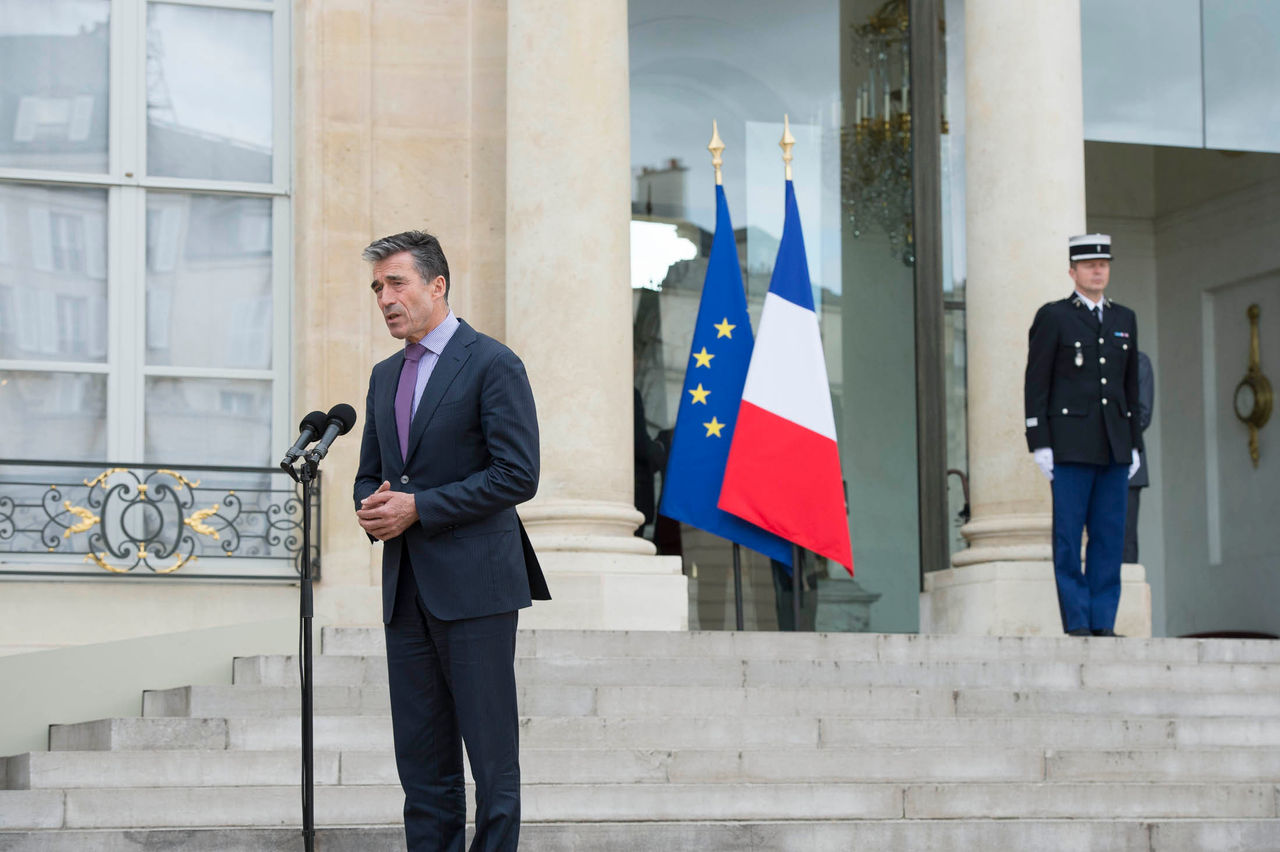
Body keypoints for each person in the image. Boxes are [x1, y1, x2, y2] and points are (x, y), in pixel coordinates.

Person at [353, 230, 549, 851]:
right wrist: (374, 506)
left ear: (437, 285)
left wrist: (420, 508)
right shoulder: (385, 376)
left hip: (478, 589)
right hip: (406, 590)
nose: (385, 298)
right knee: (422, 764)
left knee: (492, 762)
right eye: (378, 288)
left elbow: (518, 474)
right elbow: (370, 470)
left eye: (397, 283)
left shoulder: (493, 363)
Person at [1024, 234, 1143, 637]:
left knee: (1110, 539)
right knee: (1069, 538)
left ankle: (1103, 623)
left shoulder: (1124, 318)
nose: (1098, 270)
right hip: (1070, 445)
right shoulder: (1054, 316)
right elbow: (1036, 382)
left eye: (1103, 264)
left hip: (1113, 445)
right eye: (1090, 265)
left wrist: (1134, 445)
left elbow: (1130, 389)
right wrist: (1039, 441)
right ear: (1073, 271)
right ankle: (1077, 621)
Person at [1123, 350, 1153, 563]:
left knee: (1125, 539)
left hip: (1127, 463)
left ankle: (1127, 596)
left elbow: (1142, 416)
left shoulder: (1138, 362)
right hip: (1089, 461)